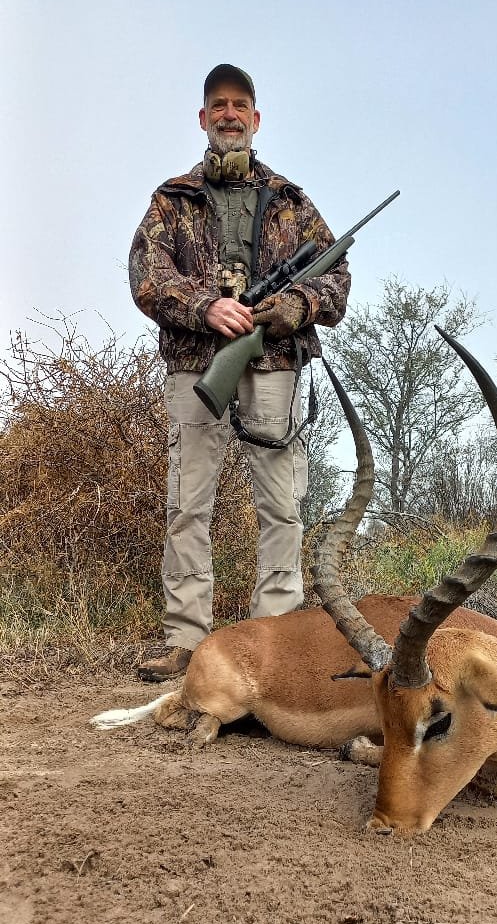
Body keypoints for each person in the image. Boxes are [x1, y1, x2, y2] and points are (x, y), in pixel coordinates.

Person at [129, 63, 351, 681]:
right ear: (203, 118)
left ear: (257, 119)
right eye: (219, 105)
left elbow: (337, 281)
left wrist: (292, 307)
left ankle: (277, 641)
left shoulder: (292, 201)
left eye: (241, 105)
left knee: (282, 505)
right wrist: (207, 307)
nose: (230, 115)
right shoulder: (171, 198)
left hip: (276, 365)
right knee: (187, 502)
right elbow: (146, 277)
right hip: (199, 368)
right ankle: (186, 641)